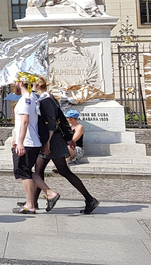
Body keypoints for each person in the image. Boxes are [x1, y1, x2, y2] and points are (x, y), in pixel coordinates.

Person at [32, 77, 100, 214]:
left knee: (61, 171)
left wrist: (48, 142)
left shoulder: (46, 100)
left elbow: (52, 123)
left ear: (38, 85)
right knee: (39, 170)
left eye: (32, 83)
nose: (30, 86)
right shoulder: (49, 98)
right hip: (52, 140)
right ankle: (32, 202)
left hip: (52, 140)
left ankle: (89, 199)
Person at [10, 80, 61, 214]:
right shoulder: (30, 98)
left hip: (27, 143)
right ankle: (48, 195)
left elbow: (25, 122)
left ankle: (32, 203)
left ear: (20, 82)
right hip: (30, 142)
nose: (12, 85)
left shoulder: (25, 100)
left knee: (23, 172)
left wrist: (20, 142)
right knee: (27, 171)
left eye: (14, 82)